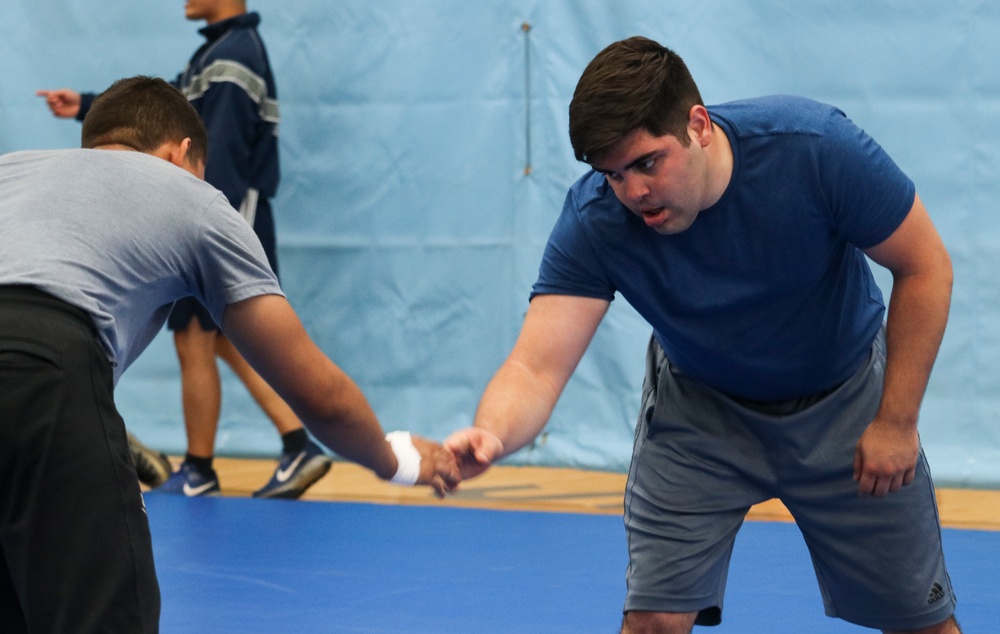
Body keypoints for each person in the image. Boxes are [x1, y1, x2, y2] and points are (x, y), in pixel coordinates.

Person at [445, 37, 959, 634]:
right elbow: (535, 366)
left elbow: (925, 266)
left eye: (647, 163)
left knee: (921, 623)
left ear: (699, 125)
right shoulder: (596, 220)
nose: (632, 192)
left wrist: (896, 421)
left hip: (844, 400)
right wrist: (491, 434)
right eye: (610, 174)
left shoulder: (815, 148)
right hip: (699, 416)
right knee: (654, 621)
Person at [0, 75, 460, 632]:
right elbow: (319, 395)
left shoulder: (13, 171)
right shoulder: (192, 197)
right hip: (43, 370)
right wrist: (396, 461)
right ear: (182, 153)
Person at [34, 0, 321, 499]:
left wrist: (202, 227)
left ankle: (201, 467)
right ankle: (299, 442)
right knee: (224, 339)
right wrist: (84, 104)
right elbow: (147, 115)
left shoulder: (234, 58)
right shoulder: (212, 56)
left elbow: (222, 155)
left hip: (220, 212)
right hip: (205, 212)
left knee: (194, 336)